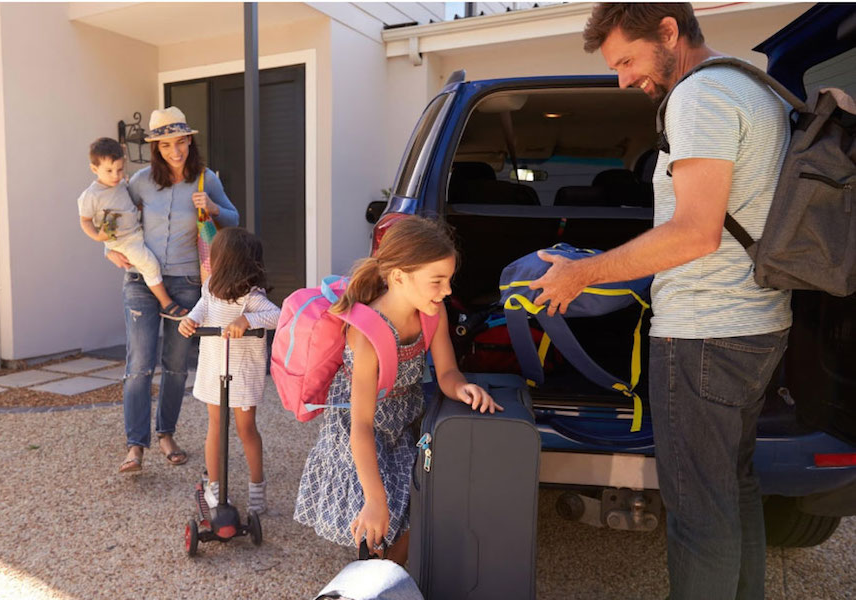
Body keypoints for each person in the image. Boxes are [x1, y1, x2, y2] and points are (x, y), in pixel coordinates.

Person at [530, 4, 791, 598]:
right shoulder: (754, 88)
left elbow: (694, 232)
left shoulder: (699, 97)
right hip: (759, 324)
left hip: (703, 334)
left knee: (699, 512)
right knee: (735, 487)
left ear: (669, 32)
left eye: (627, 59)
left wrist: (583, 274)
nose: (622, 79)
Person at [294, 216, 503, 565]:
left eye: (449, 280)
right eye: (437, 281)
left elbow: (448, 371)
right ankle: (377, 572)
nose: (448, 291)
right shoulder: (368, 335)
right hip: (359, 431)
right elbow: (360, 425)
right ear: (399, 277)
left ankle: (388, 571)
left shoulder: (432, 313)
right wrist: (375, 499)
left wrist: (463, 388)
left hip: (401, 423)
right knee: (381, 512)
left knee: (419, 502)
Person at [109, 106, 239, 474]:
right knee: (139, 364)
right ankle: (136, 446)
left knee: (177, 365)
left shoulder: (205, 178)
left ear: (189, 141)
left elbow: (233, 218)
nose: (176, 151)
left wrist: (213, 207)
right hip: (140, 280)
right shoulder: (139, 182)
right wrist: (110, 249)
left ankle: (166, 433)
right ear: (157, 148)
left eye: (181, 142)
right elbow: (116, 220)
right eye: (167, 145)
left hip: (186, 283)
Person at [178, 227, 280, 514]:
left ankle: (257, 488)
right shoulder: (210, 286)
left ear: (227, 259)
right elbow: (200, 309)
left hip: (242, 371)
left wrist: (247, 320)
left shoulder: (251, 295)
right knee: (216, 426)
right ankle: (215, 486)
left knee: (246, 429)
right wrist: (190, 321)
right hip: (214, 369)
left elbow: (278, 315)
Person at [79, 137, 187, 321]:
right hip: (123, 241)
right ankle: (166, 303)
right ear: (94, 169)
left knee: (150, 262)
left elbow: (127, 203)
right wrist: (99, 238)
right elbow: (85, 220)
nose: (116, 175)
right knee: (149, 265)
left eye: (120, 169)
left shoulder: (121, 184)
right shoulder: (91, 196)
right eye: (109, 171)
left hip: (137, 232)